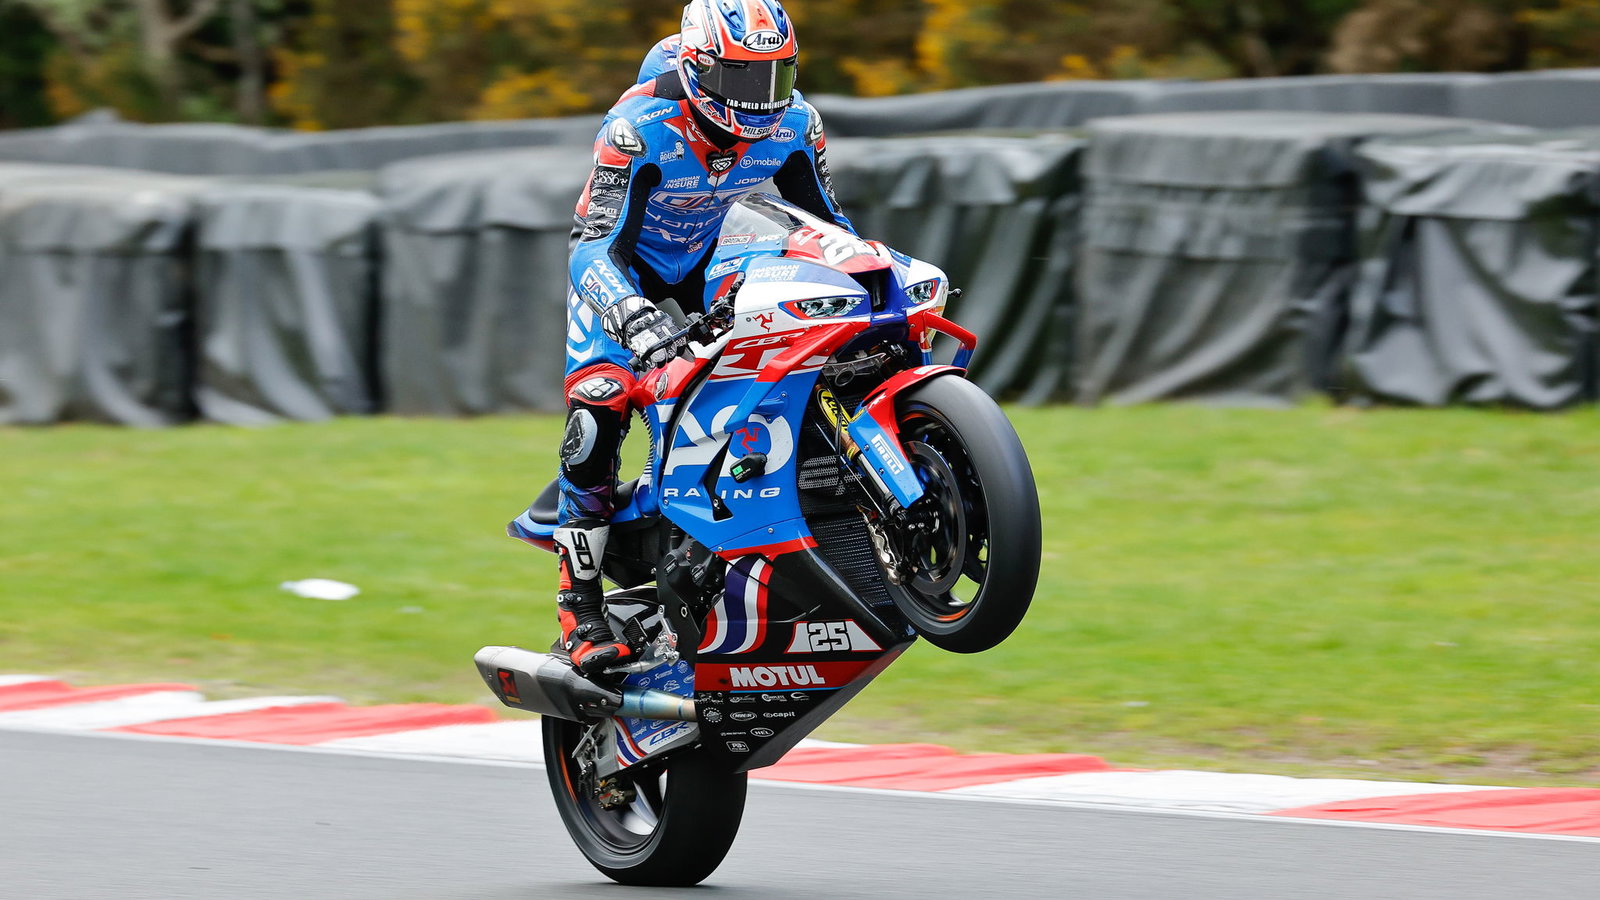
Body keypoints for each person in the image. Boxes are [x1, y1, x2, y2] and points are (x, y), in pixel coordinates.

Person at [511, 0, 855, 675]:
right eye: (743, 79)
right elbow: (589, 248)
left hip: (714, 259)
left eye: (775, 78)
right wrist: (635, 317)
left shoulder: (795, 124)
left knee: (809, 335)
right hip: (624, 269)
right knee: (599, 411)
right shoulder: (636, 127)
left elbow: (827, 227)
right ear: (700, 69)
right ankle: (576, 609)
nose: (762, 100)